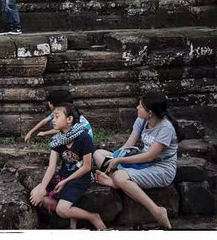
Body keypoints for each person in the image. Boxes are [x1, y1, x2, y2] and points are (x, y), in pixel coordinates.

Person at [93, 91, 179, 229]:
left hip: (161, 168)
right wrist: (115, 158)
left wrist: (119, 161)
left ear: (150, 113)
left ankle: (158, 212)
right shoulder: (142, 120)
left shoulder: (166, 128)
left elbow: (150, 156)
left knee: (120, 176)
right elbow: (128, 145)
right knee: (99, 154)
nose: (137, 108)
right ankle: (115, 181)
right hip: (141, 161)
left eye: (140, 106)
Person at [29, 103, 106, 230]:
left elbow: (87, 167)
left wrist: (66, 181)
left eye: (57, 117)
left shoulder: (83, 137)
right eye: (53, 117)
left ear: (69, 119)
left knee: (61, 210)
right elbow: (51, 167)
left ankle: (92, 216)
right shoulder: (57, 140)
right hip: (63, 176)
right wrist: (42, 189)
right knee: (36, 194)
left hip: (80, 178)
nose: (53, 120)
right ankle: (73, 213)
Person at [24, 90, 93, 144]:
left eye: (50, 103)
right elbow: (44, 121)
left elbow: (63, 130)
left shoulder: (69, 115)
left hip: (82, 142)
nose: (49, 105)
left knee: (53, 124)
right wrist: (31, 132)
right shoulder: (60, 112)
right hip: (73, 139)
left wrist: (45, 133)